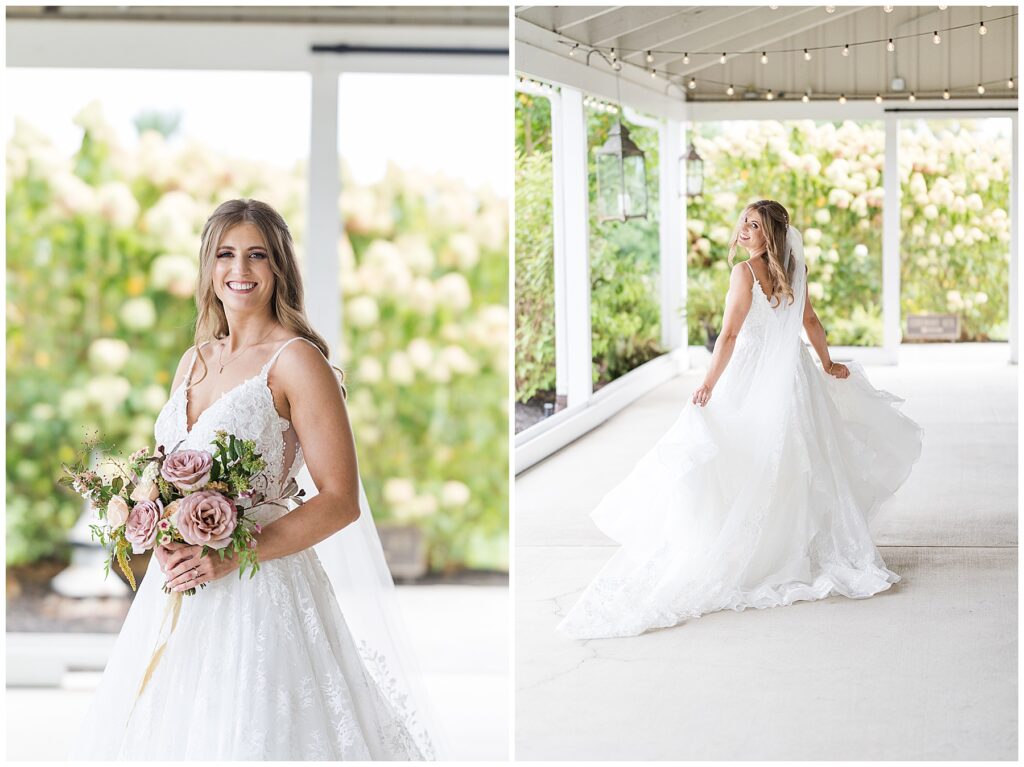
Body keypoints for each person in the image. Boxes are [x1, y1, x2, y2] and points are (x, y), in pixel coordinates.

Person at [69, 199, 439, 759]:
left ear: (278, 268)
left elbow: (340, 501)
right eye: (226, 254)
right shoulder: (193, 361)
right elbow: (169, 477)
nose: (240, 270)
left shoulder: (297, 361)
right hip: (181, 591)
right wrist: (164, 534)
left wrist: (231, 554)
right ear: (208, 268)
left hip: (261, 589)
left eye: (256, 255)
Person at [558, 199, 923, 640]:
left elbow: (730, 335)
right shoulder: (795, 270)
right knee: (798, 460)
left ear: (771, 234)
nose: (745, 229)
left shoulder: (744, 273)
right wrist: (825, 364)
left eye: (755, 225)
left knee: (759, 457)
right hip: (796, 379)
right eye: (745, 222)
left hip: (755, 377)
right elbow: (810, 321)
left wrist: (709, 383)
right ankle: (796, 546)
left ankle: (766, 549)